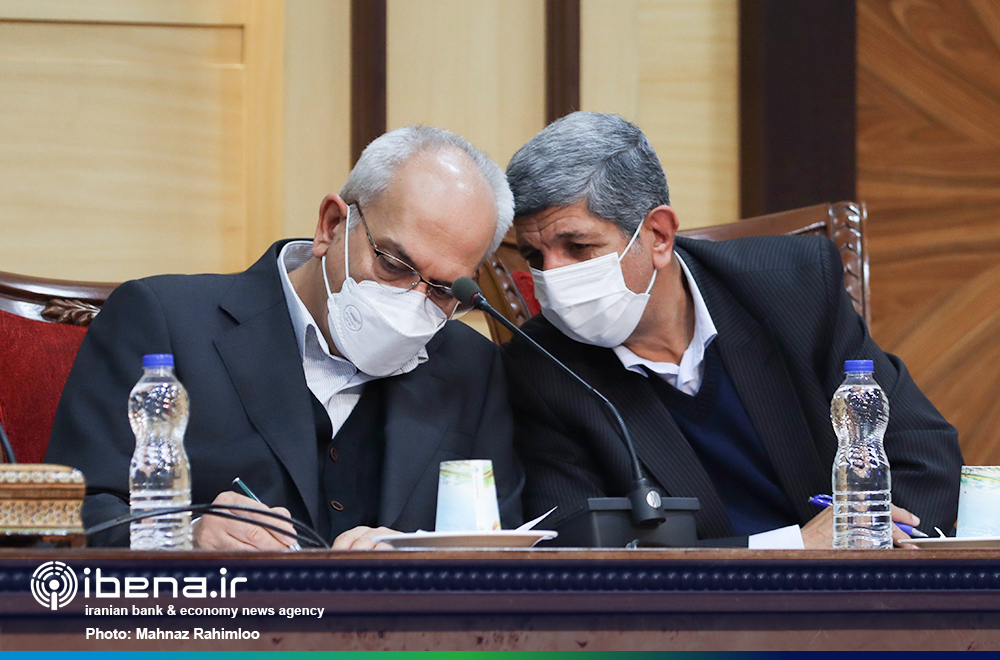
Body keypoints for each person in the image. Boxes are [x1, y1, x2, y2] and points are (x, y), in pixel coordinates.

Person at [47, 125, 524, 549]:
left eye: (442, 290)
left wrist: (419, 559)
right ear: (331, 226)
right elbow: (71, 514)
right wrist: (184, 536)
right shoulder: (165, 322)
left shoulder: (472, 366)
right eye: (393, 265)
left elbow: (504, 543)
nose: (410, 303)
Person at [501, 111, 962, 548]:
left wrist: (869, 547)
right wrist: (795, 550)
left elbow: (924, 454)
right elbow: (584, 547)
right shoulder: (540, 365)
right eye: (535, 256)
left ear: (658, 235)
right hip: (701, 606)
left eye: (578, 246)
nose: (552, 278)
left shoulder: (794, 286)